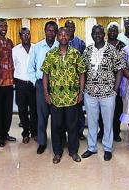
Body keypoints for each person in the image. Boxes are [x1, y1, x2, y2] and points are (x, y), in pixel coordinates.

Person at [81, 25, 126, 161]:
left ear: (104, 34)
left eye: (100, 33)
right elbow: (82, 70)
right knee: (92, 122)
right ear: (91, 34)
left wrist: (116, 89)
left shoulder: (112, 50)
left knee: (107, 122)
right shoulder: (87, 50)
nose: (97, 35)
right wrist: (82, 89)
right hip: (90, 93)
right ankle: (91, 147)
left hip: (108, 93)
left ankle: (107, 148)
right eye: (95, 33)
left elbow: (120, 69)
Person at [41, 27, 85, 164]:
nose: (64, 37)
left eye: (66, 34)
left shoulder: (76, 54)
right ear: (57, 37)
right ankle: (57, 152)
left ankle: (73, 151)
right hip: (56, 98)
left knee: (72, 126)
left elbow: (82, 73)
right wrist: (46, 93)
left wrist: (81, 92)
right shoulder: (50, 54)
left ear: (70, 36)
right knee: (56, 126)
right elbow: (45, 75)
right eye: (61, 34)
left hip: (72, 97)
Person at [29, 21, 59, 154]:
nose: (51, 33)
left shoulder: (61, 46)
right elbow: (30, 68)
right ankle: (42, 142)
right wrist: (36, 82)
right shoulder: (37, 47)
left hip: (58, 86)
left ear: (56, 32)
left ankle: (57, 141)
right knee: (42, 116)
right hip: (41, 84)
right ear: (45, 31)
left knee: (57, 116)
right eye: (48, 30)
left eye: (53, 31)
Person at [97, 22, 126, 142]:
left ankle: (116, 132)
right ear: (107, 32)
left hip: (118, 82)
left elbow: (123, 64)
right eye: (110, 30)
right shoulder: (101, 44)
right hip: (103, 83)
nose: (112, 32)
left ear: (117, 32)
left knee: (117, 109)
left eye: (114, 30)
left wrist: (117, 85)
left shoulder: (122, 45)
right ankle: (102, 131)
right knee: (101, 110)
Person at [0, 18, 16, 147]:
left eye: (5, 26)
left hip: (9, 82)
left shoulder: (9, 42)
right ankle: (0, 136)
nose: (3, 27)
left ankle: (6, 133)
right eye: (1, 25)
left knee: (8, 111)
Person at [12, 27, 37, 144]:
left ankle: (35, 132)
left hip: (33, 84)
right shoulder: (15, 50)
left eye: (28, 34)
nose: (26, 36)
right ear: (20, 36)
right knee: (22, 110)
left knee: (34, 110)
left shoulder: (36, 48)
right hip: (20, 84)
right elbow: (12, 67)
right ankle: (25, 133)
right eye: (24, 34)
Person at [65, 20, 86, 140]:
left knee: (78, 110)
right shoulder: (61, 42)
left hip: (77, 83)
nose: (69, 29)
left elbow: (83, 65)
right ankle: (68, 133)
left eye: (72, 27)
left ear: (75, 28)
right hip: (63, 83)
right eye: (67, 27)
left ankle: (80, 132)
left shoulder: (80, 43)